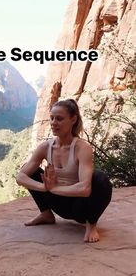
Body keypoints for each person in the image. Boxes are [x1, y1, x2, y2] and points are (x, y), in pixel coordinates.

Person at [16, 98, 112, 243]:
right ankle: (46, 214)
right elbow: (20, 177)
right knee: (29, 169)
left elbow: (85, 189)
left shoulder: (82, 148)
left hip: (79, 208)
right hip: (57, 203)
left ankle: (91, 225)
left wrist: (54, 188)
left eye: (59, 119)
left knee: (101, 179)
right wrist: (44, 187)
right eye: (52, 118)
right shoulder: (45, 147)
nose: (54, 123)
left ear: (73, 119)